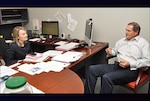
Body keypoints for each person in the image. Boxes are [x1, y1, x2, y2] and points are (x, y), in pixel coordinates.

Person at [84, 22, 150, 94]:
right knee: (92, 69)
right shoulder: (122, 41)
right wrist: (110, 51)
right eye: (126, 30)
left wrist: (130, 64)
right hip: (117, 66)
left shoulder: (143, 43)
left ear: (136, 32)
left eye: (129, 31)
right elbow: (115, 51)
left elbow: (147, 61)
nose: (126, 33)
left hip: (130, 71)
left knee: (107, 77)